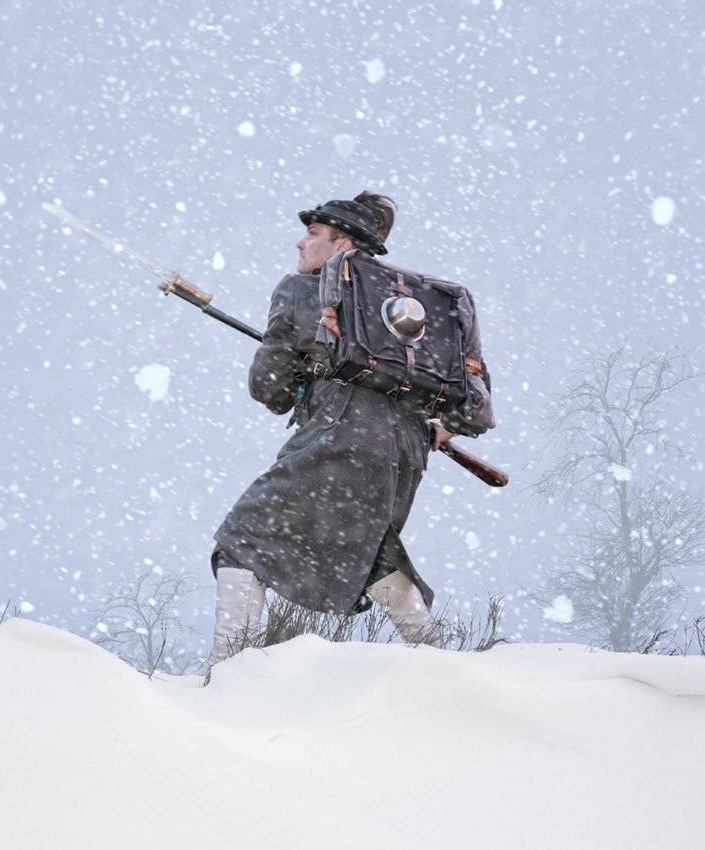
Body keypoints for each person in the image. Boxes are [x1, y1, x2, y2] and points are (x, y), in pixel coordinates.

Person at [205, 191, 494, 672]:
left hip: (335, 440)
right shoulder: (429, 309)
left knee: (242, 540)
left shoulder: (303, 290)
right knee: (369, 548)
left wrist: (297, 369)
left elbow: (268, 390)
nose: (300, 244)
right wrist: (439, 429)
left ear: (343, 243)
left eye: (313, 234)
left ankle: (229, 670)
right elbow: (478, 412)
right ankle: (446, 669)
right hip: (402, 456)